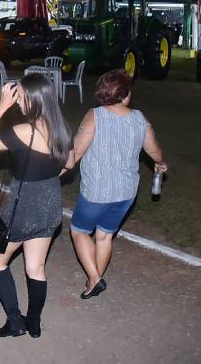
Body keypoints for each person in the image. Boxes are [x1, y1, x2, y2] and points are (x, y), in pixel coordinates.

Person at [0, 73, 72, 339]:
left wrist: (2, 105)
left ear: (35, 100)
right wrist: (46, 176)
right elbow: (70, 163)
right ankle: (35, 324)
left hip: (25, 208)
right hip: (51, 206)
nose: (17, 102)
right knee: (36, 267)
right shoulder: (61, 128)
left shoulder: (25, 132)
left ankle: (15, 321)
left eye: (21, 97)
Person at [67, 69, 167, 299]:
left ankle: (95, 278)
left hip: (97, 191)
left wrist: (57, 170)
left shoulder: (94, 116)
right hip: (126, 192)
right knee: (104, 236)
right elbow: (154, 151)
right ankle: (93, 283)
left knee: (79, 231)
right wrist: (161, 163)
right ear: (125, 94)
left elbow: (77, 151)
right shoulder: (140, 119)